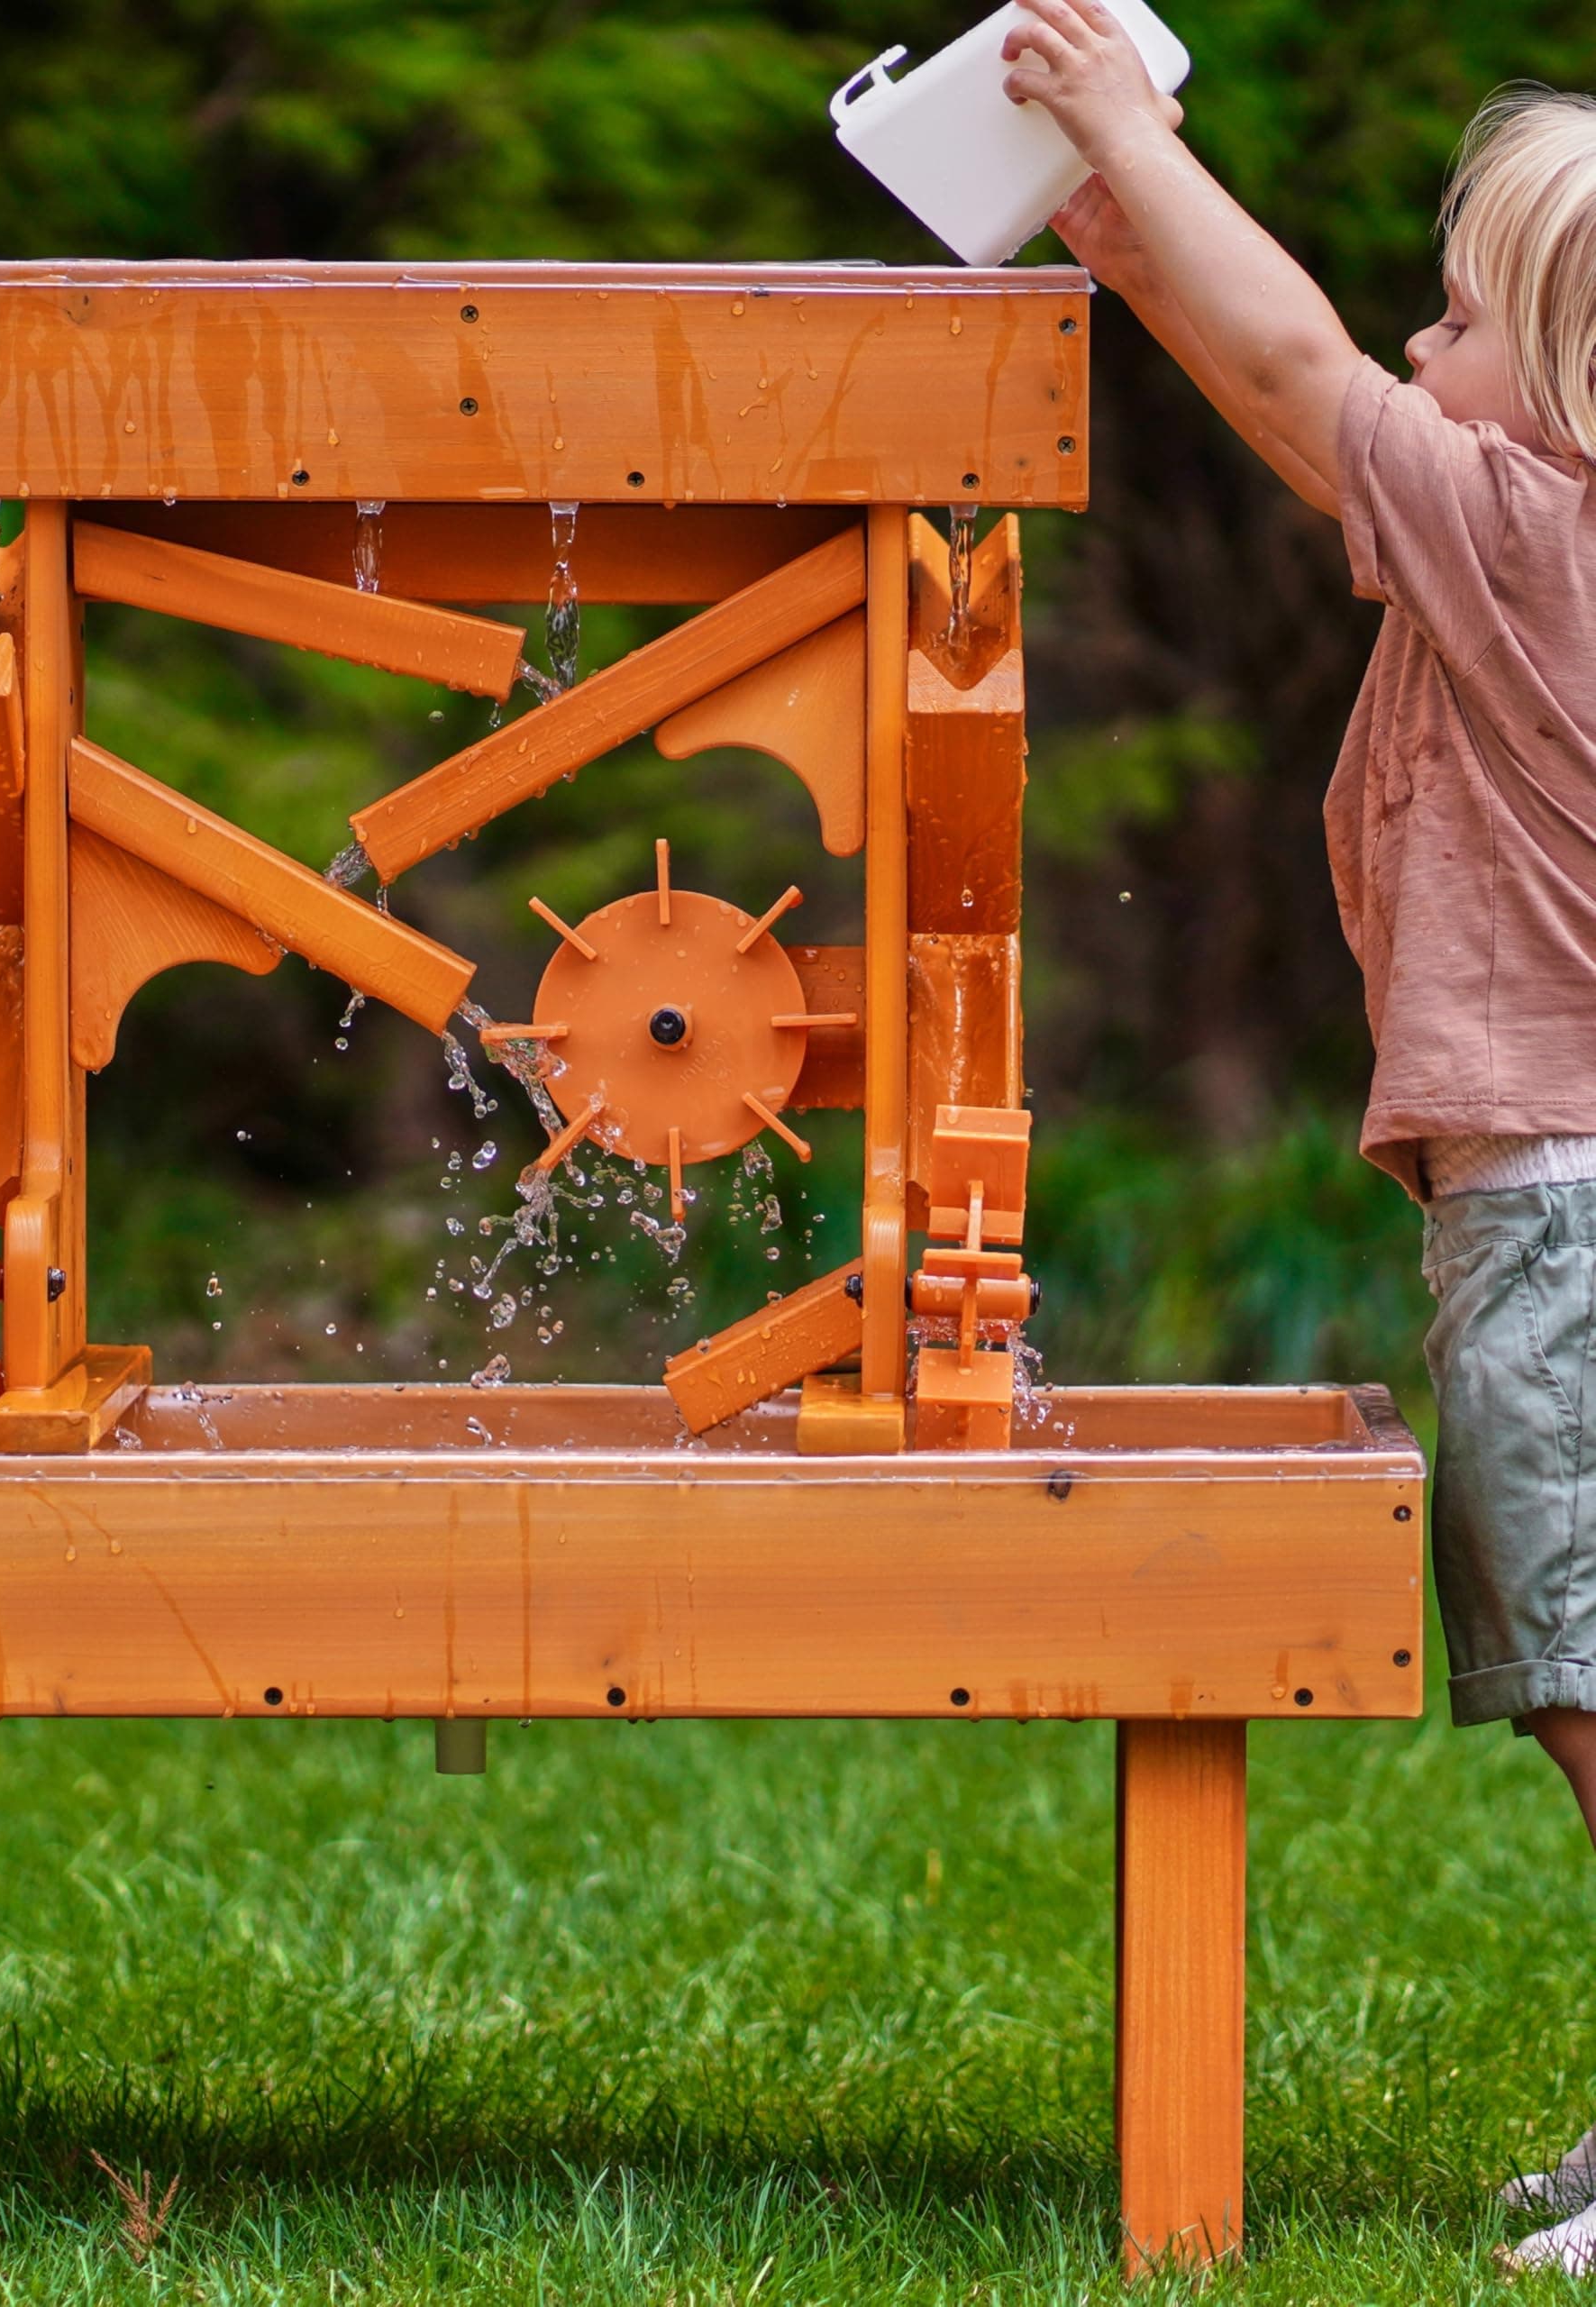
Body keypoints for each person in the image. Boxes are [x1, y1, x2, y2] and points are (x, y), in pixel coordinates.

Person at [1003, 0, 1596, 2272]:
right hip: (1537, 1202)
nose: (1406, 343)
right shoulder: (1519, 533)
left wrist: (1126, 136)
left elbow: (1288, 379)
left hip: (1562, 1216)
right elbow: (1280, 373)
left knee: (1582, 1681)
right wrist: (1117, 223)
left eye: (1452, 314)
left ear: (1555, 382)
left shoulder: (1537, 543)